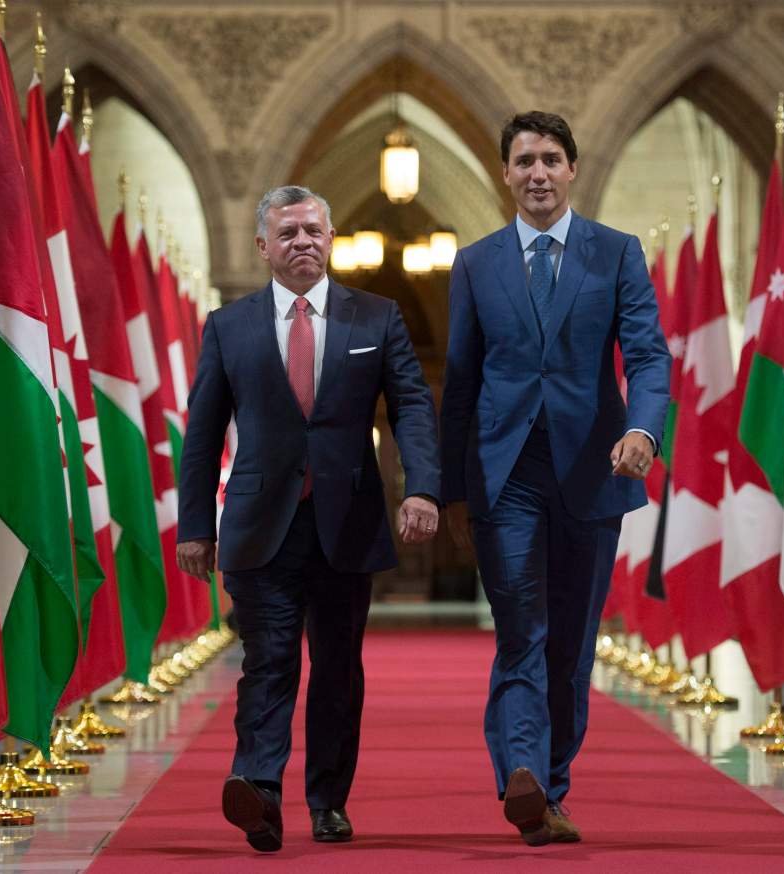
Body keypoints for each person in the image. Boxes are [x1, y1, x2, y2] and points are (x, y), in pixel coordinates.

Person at [177, 186, 441, 852]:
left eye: (314, 231)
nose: (303, 242)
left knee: (336, 668)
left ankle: (328, 800)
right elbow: (203, 434)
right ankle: (259, 790)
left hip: (346, 521)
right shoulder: (228, 326)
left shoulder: (375, 318)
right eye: (288, 233)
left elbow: (411, 406)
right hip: (259, 522)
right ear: (263, 246)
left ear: (331, 238)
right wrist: (193, 526)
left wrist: (424, 488)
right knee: (267, 660)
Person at [440, 111, 670, 846]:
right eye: (523, 161)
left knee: (570, 645)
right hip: (505, 476)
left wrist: (642, 427)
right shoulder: (476, 264)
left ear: (572, 169)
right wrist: (445, 488)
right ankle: (521, 771)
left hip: (591, 473)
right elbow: (460, 381)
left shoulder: (617, 253)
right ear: (504, 174)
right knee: (521, 631)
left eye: (550, 159)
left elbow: (649, 355)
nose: (537, 172)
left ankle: (550, 788)